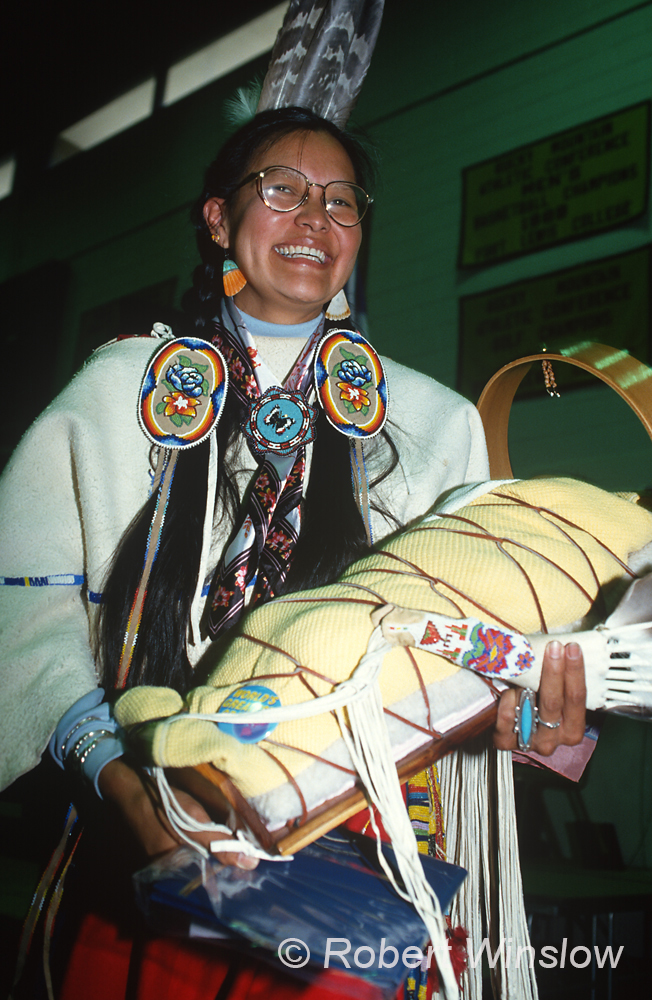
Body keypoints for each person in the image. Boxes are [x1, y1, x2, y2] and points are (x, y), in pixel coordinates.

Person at [1, 106, 586, 999]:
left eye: (341, 201)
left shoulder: (433, 425)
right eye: (283, 190)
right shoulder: (119, 394)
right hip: (148, 840)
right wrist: (116, 773)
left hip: (359, 868)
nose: (315, 219)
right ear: (217, 218)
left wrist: (520, 713)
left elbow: (470, 657)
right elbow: (23, 607)